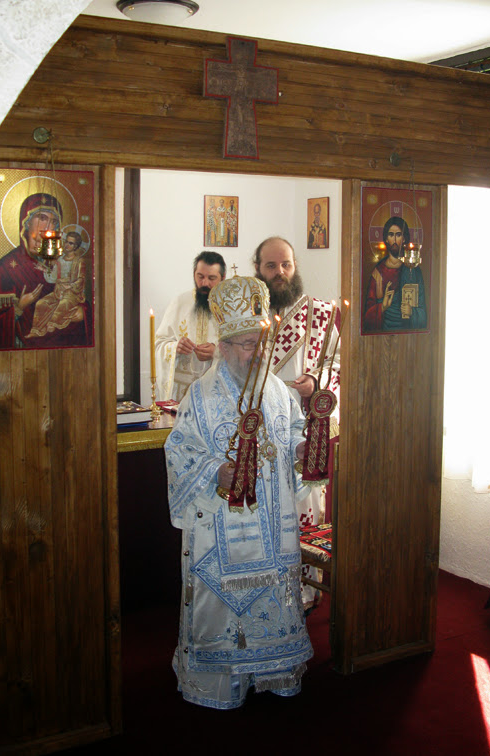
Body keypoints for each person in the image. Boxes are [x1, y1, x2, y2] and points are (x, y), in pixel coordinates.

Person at [165, 275, 313, 710]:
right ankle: (223, 684)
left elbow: (292, 433)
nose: (258, 352)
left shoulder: (278, 390)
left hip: (274, 525)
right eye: (249, 344)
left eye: (261, 342)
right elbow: (179, 451)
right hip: (221, 528)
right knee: (225, 607)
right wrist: (216, 471)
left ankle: (275, 673)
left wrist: (303, 449)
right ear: (226, 345)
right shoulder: (200, 396)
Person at [253, 236, 340, 611]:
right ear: (258, 269)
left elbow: (337, 363)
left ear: (295, 266)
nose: (280, 272)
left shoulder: (319, 314)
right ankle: (264, 586)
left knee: (304, 507)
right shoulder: (247, 313)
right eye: (271, 266)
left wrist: (316, 382)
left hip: (304, 428)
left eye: (286, 264)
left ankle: (303, 592)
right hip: (260, 431)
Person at [0, 192, 61, 348]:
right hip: (23, 349)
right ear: (27, 222)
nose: (48, 226)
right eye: (42, 218)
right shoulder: (6, 267)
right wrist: (19, 307)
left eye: (54, 221)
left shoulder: (59, 264)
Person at [154, 251, 226, 401]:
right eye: (200, 276)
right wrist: (175, 347)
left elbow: (244, 351)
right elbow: (159, 343)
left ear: (223, 278)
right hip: (182, 394)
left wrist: (217, 352)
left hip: (217, 391)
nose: (205, 283)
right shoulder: (180, 302)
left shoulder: (232, 308)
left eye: (211, 278)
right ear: (194, 274)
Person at [363, 215, 427, 332]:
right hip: (382, 336)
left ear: (404, 238)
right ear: (386, 239)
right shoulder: (378, 272)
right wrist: (382, 307)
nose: (394, 240)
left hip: (408, 337)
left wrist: (412, 312)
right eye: (391, 235)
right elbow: (367, 319)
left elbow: (423, 315)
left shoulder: (413, 270)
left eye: (398, 235)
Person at [27, 230, 88, 338]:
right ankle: (36, 331)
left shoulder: (79, 261)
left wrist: (70, 286)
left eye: (71, 243)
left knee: (63, 304)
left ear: (76, 246)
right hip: (58, 291)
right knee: (41, 303)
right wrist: (44, 270)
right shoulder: (60, 260)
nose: (67, 245)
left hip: (72, 293)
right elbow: (53, 278)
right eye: (66, 242)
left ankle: (52, 325)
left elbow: (81, 279)